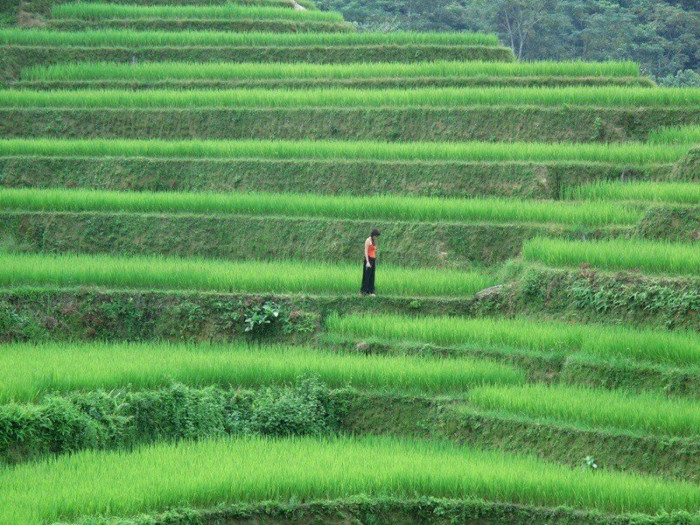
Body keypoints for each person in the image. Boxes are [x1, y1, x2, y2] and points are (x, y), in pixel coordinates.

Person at [361, 229, 380, 296]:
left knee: (372, 275)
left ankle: (371, 291)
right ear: (373, 235)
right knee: (367, 276)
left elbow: (373, 251)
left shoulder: (373, 241)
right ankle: (363, 291)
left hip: (373, 259)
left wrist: (373, 260)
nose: (376, 237)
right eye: (375, 236)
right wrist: (367, 262)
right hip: (368, 259)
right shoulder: (368, 240)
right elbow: (366, 251)